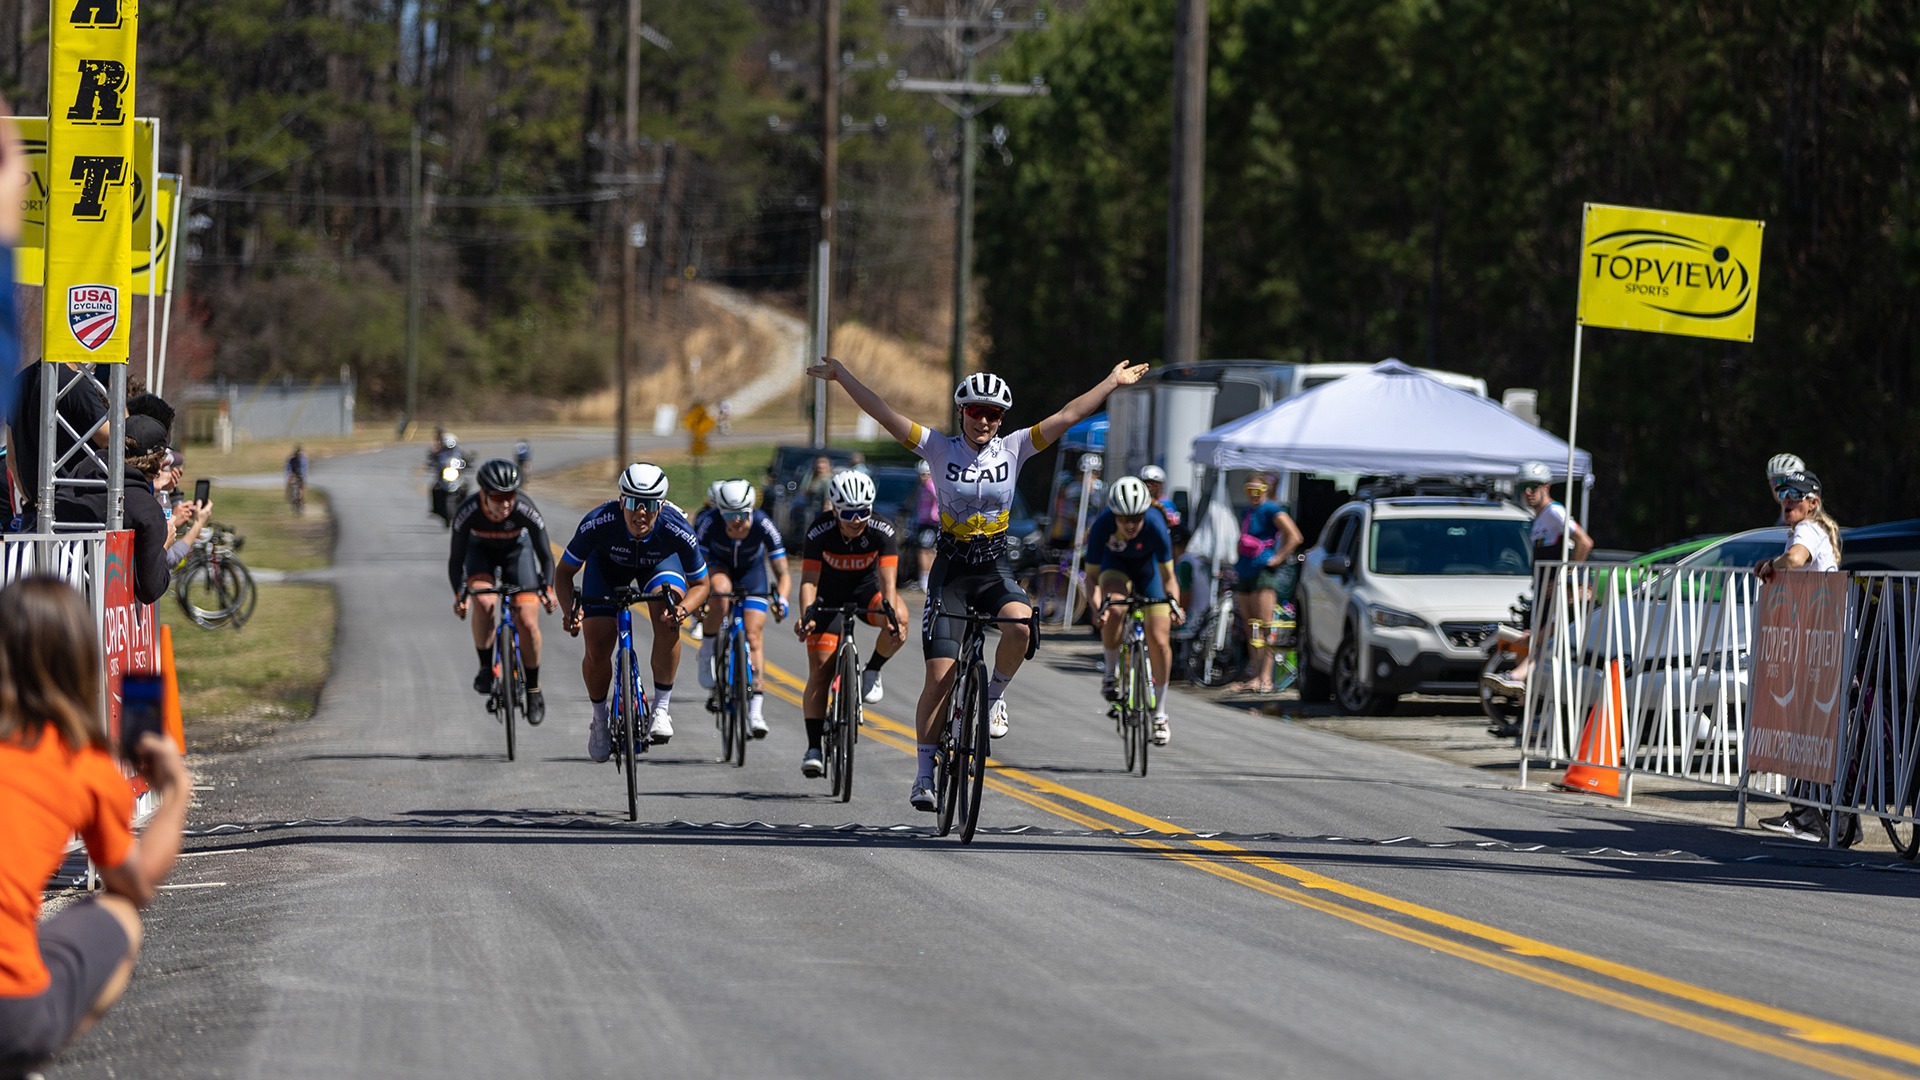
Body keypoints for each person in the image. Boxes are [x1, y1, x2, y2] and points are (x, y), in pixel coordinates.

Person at [807, 357, 1148, 811]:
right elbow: (883, 412)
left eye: (993, 413)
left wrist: (1110, 381)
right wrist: (842, 376)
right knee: (939, 678)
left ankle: (993, 696)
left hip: (992, 568)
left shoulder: (1016, 447)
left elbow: (1070, 415)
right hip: (951, 572)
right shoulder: (937, 448)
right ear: (961, 412)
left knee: (1022, 625)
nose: (984, 420)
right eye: (975, 411)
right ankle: (925, 773)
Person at [0, 576, 191, 1077]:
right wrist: (174, 793)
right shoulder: (81, 763)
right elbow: (135, 882)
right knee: (122, 916)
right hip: (9, 1010)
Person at [554, 463, 710, 761]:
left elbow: (701, 584)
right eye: (633, 502)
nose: (640, 512)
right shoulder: (599, 522)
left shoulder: (676, 528)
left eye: (649, 504)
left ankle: (661, 709)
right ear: (621, 500)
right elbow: (564, 573)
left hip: (658, 566)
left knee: (667, 614)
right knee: (598, 644)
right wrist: (569, 611)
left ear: (661, 505)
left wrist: (683, 610)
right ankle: (600, 720)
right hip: (607, 569)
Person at [792, 470, 907, 778]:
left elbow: (889, 583)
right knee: (820, 669)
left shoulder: (882, 529)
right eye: (849, 513)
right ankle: (814, 747)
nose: (857, 520)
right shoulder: (820, 530)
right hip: (827, 596)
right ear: (835, 508)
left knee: (900, 618)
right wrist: (807, 616)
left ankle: (873, 669)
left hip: (866, 592)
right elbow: (808, 581)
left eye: (863, 512)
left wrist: (891, 616)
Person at [1753, 469, 1845, 842]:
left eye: (1796, 494)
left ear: (1813, 503)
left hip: (1817, 642)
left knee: (1801, 728)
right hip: (1823, 639)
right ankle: (1823, 817)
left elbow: (1794, 560)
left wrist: (1768, 567)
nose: (1787, 499)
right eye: (1782, 493)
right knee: (1812, 730)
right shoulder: (1816, 529)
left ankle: (1806, 816)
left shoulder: (1807, 530)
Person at [450, 459, 558, 726]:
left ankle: (533, 689)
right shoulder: (468, 511)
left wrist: (548, 589)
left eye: (511, 495)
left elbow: (545, 556)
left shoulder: (525, 509)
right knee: (484, 602)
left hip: (517, 554)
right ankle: (486, 668)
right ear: (484, 495)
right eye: (499, 497)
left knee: (528, 621)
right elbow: (456, 560)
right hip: (481, 554)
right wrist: (460, 596)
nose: (506, 503)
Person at [1088, 476, 1183, 745]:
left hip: (1148, 572)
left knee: (1160, 639)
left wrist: (1174, 604)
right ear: (1114, 515)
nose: (1130, 524)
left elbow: (1169, 577)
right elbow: (1091, 579)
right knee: (1115, 607)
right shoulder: (1102, 525)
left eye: (1136, 518)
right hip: (1114, 567)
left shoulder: (1155, 523)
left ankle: (1160, 713)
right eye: (1123, 518)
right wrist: (1099, 609)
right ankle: (1110, 673)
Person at [694, 478, 791, 739]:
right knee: (721, 595)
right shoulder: (710, 522)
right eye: (730, 515)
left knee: (753, 635)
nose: (736, 521)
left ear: (751, 510)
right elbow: (696, 569)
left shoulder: (762, 523)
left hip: (752, 573)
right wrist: (699, 599)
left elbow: (782, 572)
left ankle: (755, 710)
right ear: (720, 511)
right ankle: (707, 652)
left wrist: (782, 600)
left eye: (742, 514)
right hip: (719, 567)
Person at [1493, 461, 1595, 694]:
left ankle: (1516, 678)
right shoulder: (1539, 518)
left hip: (1555, 594)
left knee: (1541, 640)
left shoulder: (1554, 512)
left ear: (1546, 486)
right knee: (1533, 642)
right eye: (1523, 487)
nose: (1528, 492)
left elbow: (1584, 542)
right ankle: (1520, 709)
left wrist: (1568, 579)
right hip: (1542, 591)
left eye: (1534, 486)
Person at [1227, 474, 1303, 693]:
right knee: (1252, 626)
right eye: (1249, 490)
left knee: (1265, 624)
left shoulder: (1271, 508)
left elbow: (1294, 536)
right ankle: (1256, 674)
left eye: (1258, 490)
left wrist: (1277, 558)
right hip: (1245, 570)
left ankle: (1266, 677)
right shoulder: (1249, 510)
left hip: (1263, 571)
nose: (1254, 495)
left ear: (1266, 490)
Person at [155, 449, 211, 567]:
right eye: (165, 469)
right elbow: (171, 558)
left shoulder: (152, 496)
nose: (170, 475)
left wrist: (163, 490)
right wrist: (198, 524)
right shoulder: (145, 502)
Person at [908, 459, 941, 592]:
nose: (921, 478)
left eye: (923, 474)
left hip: (929, 522)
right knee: (930, 550)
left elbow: (938, 497)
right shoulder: (924, 486)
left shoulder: (930, 485)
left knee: (924, 550)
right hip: (925, 522)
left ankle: (925, 579)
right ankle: (927, 578)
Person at [1139, 464, 1180, 529]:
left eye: (1153, 483)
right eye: (1145, 483)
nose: (1149, 487)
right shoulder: (1138, 503)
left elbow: (1173, 524)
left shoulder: (1167, 504)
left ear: (1160, 485)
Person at [285, 444, 309, 514]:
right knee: (291, 486)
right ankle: (291, 499)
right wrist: (290, 475)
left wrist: (303, 476)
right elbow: (288, 468)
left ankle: (303, 503)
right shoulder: (292, 459)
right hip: (294, 474)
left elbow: (304, 469)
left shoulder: (303, 459)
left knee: (302, 488)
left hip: (300, 474)